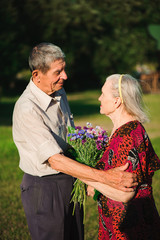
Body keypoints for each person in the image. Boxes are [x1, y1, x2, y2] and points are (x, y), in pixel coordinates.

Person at [12, 43, 137, 240]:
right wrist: (104, 178)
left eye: (64, 69)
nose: (65, 76)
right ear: (37, 75)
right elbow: (55, 160)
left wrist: (86, 177)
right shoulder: (27, 109)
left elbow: (69, 140)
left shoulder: (59, 92)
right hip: (44, 188)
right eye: (58, 72)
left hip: (70, 179)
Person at [87, 74, 160, 240]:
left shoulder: (127, 136)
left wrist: (84, 176)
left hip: (129, 229)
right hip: (120, 223)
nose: (99, 98)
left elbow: (125, 194)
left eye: (103, 94)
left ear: (117, 101)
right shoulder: (123, 130)